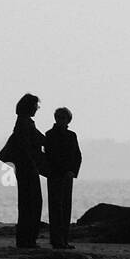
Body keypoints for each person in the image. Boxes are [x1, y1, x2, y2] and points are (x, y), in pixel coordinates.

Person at [0, 93, 46, 249]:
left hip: (25, 168)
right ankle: (27, 239)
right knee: (31, 203)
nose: (37, 109)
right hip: (28, 168)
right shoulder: (25, 124)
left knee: (28, 203)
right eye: (36, 106)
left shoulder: (23, 123)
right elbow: (28, 146)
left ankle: (26, 239)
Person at [44, 107, 82, 250]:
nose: (61, 120)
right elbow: (50, 157)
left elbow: (77, 155)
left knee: (66, 207)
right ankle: (56, 240)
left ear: (68, 120)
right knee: (55, 208)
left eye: (63, 118)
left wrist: (72, 171)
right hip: (55, 175)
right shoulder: (50, 135)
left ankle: (64, 239)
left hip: (67, 176)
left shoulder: (72, 135)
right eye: (59, 117)